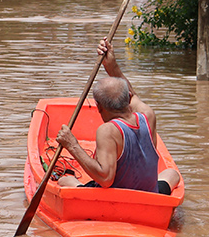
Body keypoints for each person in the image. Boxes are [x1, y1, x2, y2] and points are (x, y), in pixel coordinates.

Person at [55, 37, 181, 195]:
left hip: (116, 199)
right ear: (128, 98)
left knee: (65, 180)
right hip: (150, 194)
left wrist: (72, 145)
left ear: (99, 107)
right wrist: (111, 65)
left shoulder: (108, 131)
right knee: (172, 174)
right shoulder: (148, 115)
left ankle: (75, 184)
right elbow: (132, 94)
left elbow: (105, 179)